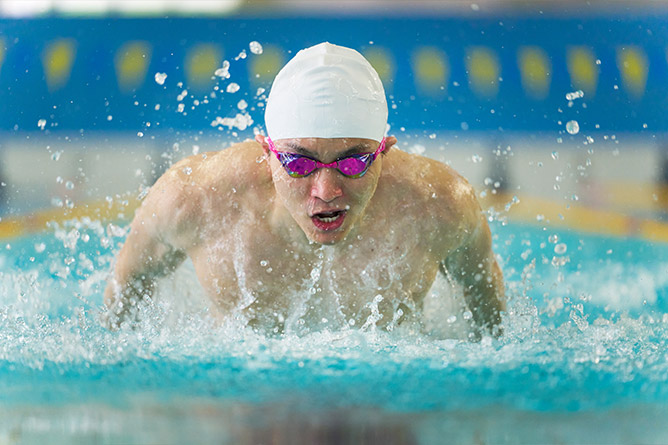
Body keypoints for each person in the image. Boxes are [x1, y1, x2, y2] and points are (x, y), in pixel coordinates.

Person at [104, 42, 505, 337]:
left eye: (353, 163)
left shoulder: (440, 204)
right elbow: (124, 292)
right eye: (298, 163)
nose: (326, 191)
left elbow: (491, 326)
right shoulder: (193, 199)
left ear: (384, 151)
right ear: (267, 151)